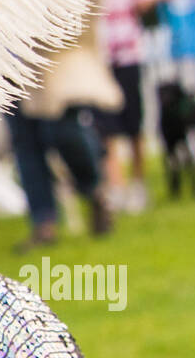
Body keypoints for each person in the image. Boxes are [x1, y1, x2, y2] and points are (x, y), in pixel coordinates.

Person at [7, 18, 121, 248]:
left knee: (64, 133)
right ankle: (44, 223)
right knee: (26, 145)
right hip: (12, 64)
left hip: (58, 57)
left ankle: (94, 190)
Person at [97, 0, 182, 211]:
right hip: (98, 58)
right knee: (105, 127)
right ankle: (117, 187)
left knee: (134, 123)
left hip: (128, 52)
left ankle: (137, 183)